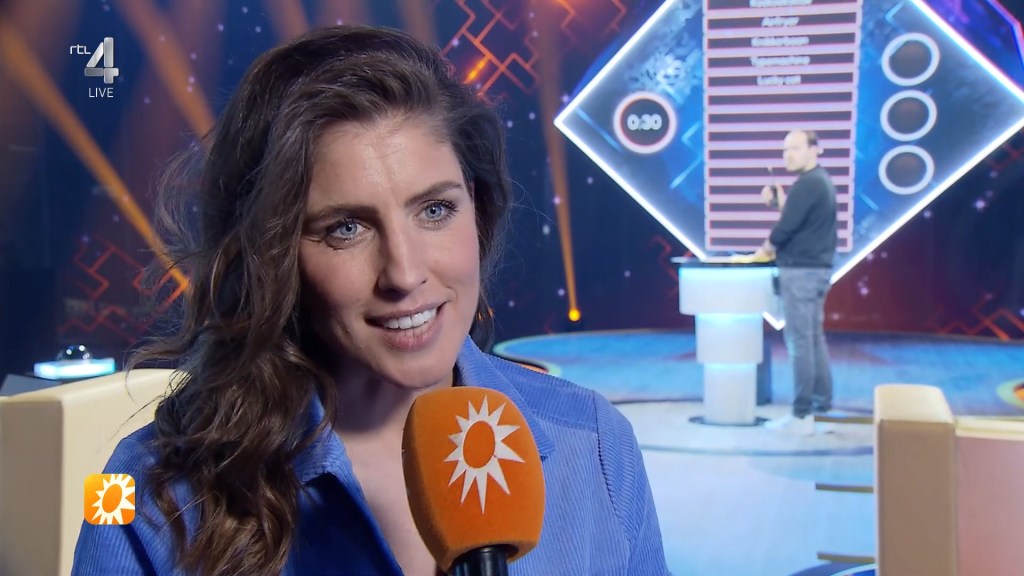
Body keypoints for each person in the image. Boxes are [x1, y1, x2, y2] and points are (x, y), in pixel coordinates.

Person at [71, 25, 670, 576]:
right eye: (346, 228)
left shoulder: (595, 442)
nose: (404, 274)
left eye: (435, 209)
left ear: (477, 209)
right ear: (271, 255)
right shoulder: (140, 486)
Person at [750, 130, 837, 436]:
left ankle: (802, 414)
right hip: (815, 270)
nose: (788, 155)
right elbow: (799, 219)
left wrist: (763, 251)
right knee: (812, 339)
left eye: (795, 148)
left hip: (800, 272)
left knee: (801, 342)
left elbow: (786, 227)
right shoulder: (818, 182)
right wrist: (780, 205)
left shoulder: (809, 183)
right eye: (785, 149)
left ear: (815, 149)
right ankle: (820, 407)